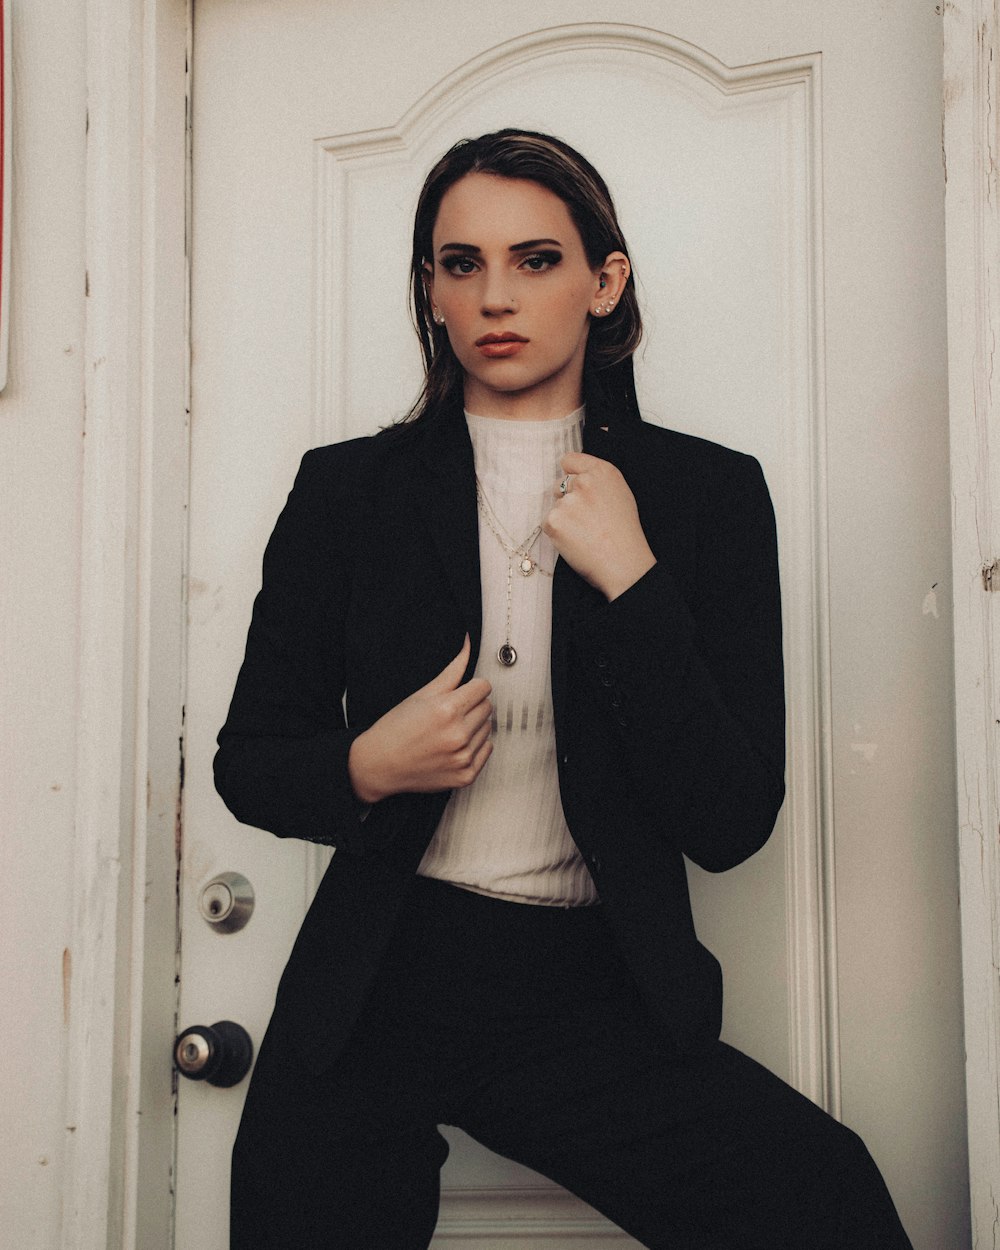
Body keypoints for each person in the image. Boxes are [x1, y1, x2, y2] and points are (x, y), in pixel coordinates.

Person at [215, 128, 911, 1249]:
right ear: (430, 292)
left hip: (584, 982)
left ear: (604, 281)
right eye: (459, 263)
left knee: (819, 1198)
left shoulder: (705, 497)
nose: (495, 294)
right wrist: (364, 765)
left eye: (536, 259)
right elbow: (249, 760)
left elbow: (731, 819)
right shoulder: (349, 491)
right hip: (378, 972)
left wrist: (634, 582)